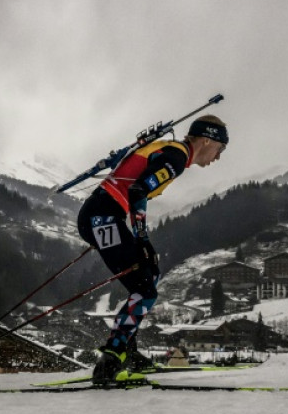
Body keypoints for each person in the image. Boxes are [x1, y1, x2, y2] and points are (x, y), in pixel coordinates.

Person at [76, 114, 228, 385]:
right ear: (207, 140)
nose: (218, 157)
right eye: (220, 149)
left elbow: (136, 190)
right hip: (102, 217)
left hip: (102, 216)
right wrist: (142, 239)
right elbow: (137, 191)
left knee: (149, 277)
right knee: (145, 286)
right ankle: (112, 357)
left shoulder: (171, 153)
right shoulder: (177, 157)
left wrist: (137, 238)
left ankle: (127, 353)